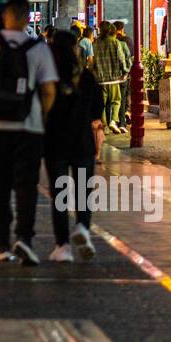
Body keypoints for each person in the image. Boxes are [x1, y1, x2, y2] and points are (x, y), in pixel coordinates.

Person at [0, 0, 58, 265]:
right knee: (26, 185)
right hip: (28, 127)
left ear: (6, 17)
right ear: (26, 19)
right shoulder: (38, 48)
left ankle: (1, 244)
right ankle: (25, 238)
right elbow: (49, 90)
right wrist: (40, 114)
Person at [43, 28, 103, 263]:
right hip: (82, 142)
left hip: (55, 142)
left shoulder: (48, 76)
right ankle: (83, 228)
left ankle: (62, 246)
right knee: (83, 192)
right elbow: (98, 111)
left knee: (59, 195)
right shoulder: (87, 77)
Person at [92, 21, 127, 134]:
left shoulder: (96, 43)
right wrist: (125, 71)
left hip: (100, 79)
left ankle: (105, 126)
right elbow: (121, 59)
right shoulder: (115, 42)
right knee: (116, 100)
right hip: (113, 78)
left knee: (102, 104)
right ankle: (113, 120)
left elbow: (93, 61)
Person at [112, 20, 134, 127]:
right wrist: (126, 70)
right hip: (124, 74)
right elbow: (130, 57)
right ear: (122, 29)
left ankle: (114, 120)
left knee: (115, 99)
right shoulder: (127, 41)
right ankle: (123, 118)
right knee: (124, 96)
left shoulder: (113, 41)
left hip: (112, 76)